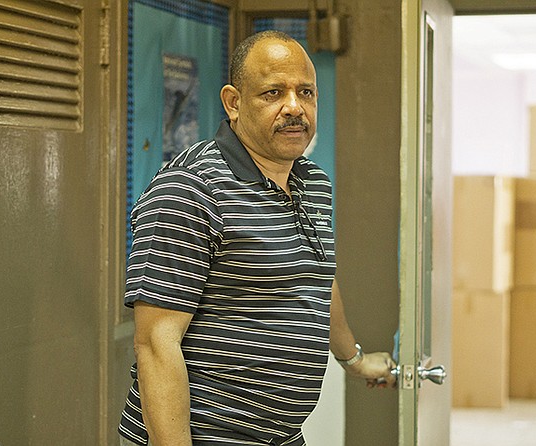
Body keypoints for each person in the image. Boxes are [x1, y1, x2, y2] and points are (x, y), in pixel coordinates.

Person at [118, 30, 397, 446]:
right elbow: (157, 344)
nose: (294, 107)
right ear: (234, 102)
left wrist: (352, 360)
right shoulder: (191, 188)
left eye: (306, 92)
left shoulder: (312, 182)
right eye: (273, 93)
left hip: (280, 436)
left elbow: (315, 278)